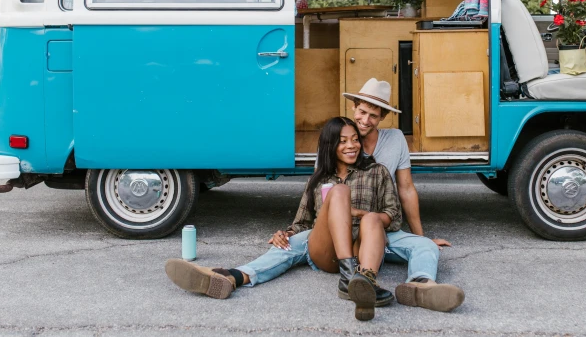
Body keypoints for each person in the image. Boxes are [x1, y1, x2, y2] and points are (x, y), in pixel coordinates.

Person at [166, 116, 402, 321]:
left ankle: (364, 282)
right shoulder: (318, 180)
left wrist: (359, 214)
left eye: (355, 139)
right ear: (330, 145)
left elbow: (393, 216)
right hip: (329, 250)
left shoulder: (377, 171)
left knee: (372, 219)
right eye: (342, 141)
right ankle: (348, 277)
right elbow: (302, 224)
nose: (352, 146)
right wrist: (286, 233)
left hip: (364, 249)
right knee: (332, 197)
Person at [342, 78, 464, 312]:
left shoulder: (395, 139)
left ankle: (420, 286)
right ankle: (365, 282)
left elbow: (406, 188)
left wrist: (421, 236)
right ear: (353, 107)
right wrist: (292, 230)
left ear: (383, 118)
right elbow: (321, 188)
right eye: (362, 111)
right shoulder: (338, 136)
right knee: (290, 248)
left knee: (426, 248)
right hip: (348, 230)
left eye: (373, 116)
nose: (365, 120)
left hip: (385, 228)